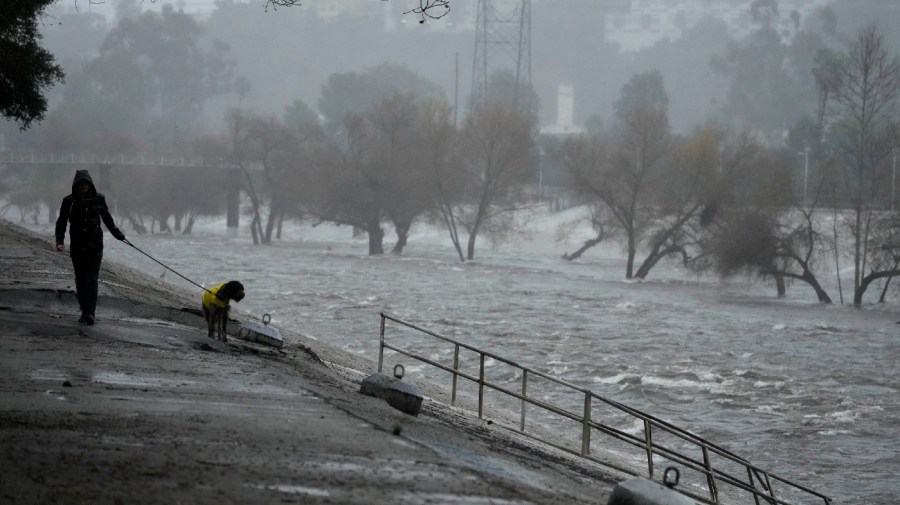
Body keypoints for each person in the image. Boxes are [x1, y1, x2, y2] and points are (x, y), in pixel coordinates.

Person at [55, 170, 126, 325]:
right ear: (76, 186)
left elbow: (107, 219)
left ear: (90, 184)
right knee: (81, 279)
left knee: (92, 279)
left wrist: (118, 235)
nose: (83, 187)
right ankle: (84, 310)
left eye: (86, 184)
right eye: (80, 184)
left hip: (95, 246)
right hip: (77, 246)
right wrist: (59, 241)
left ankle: (90, 313)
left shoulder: (99, 198)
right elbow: (61, 222)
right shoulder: (69, 201)